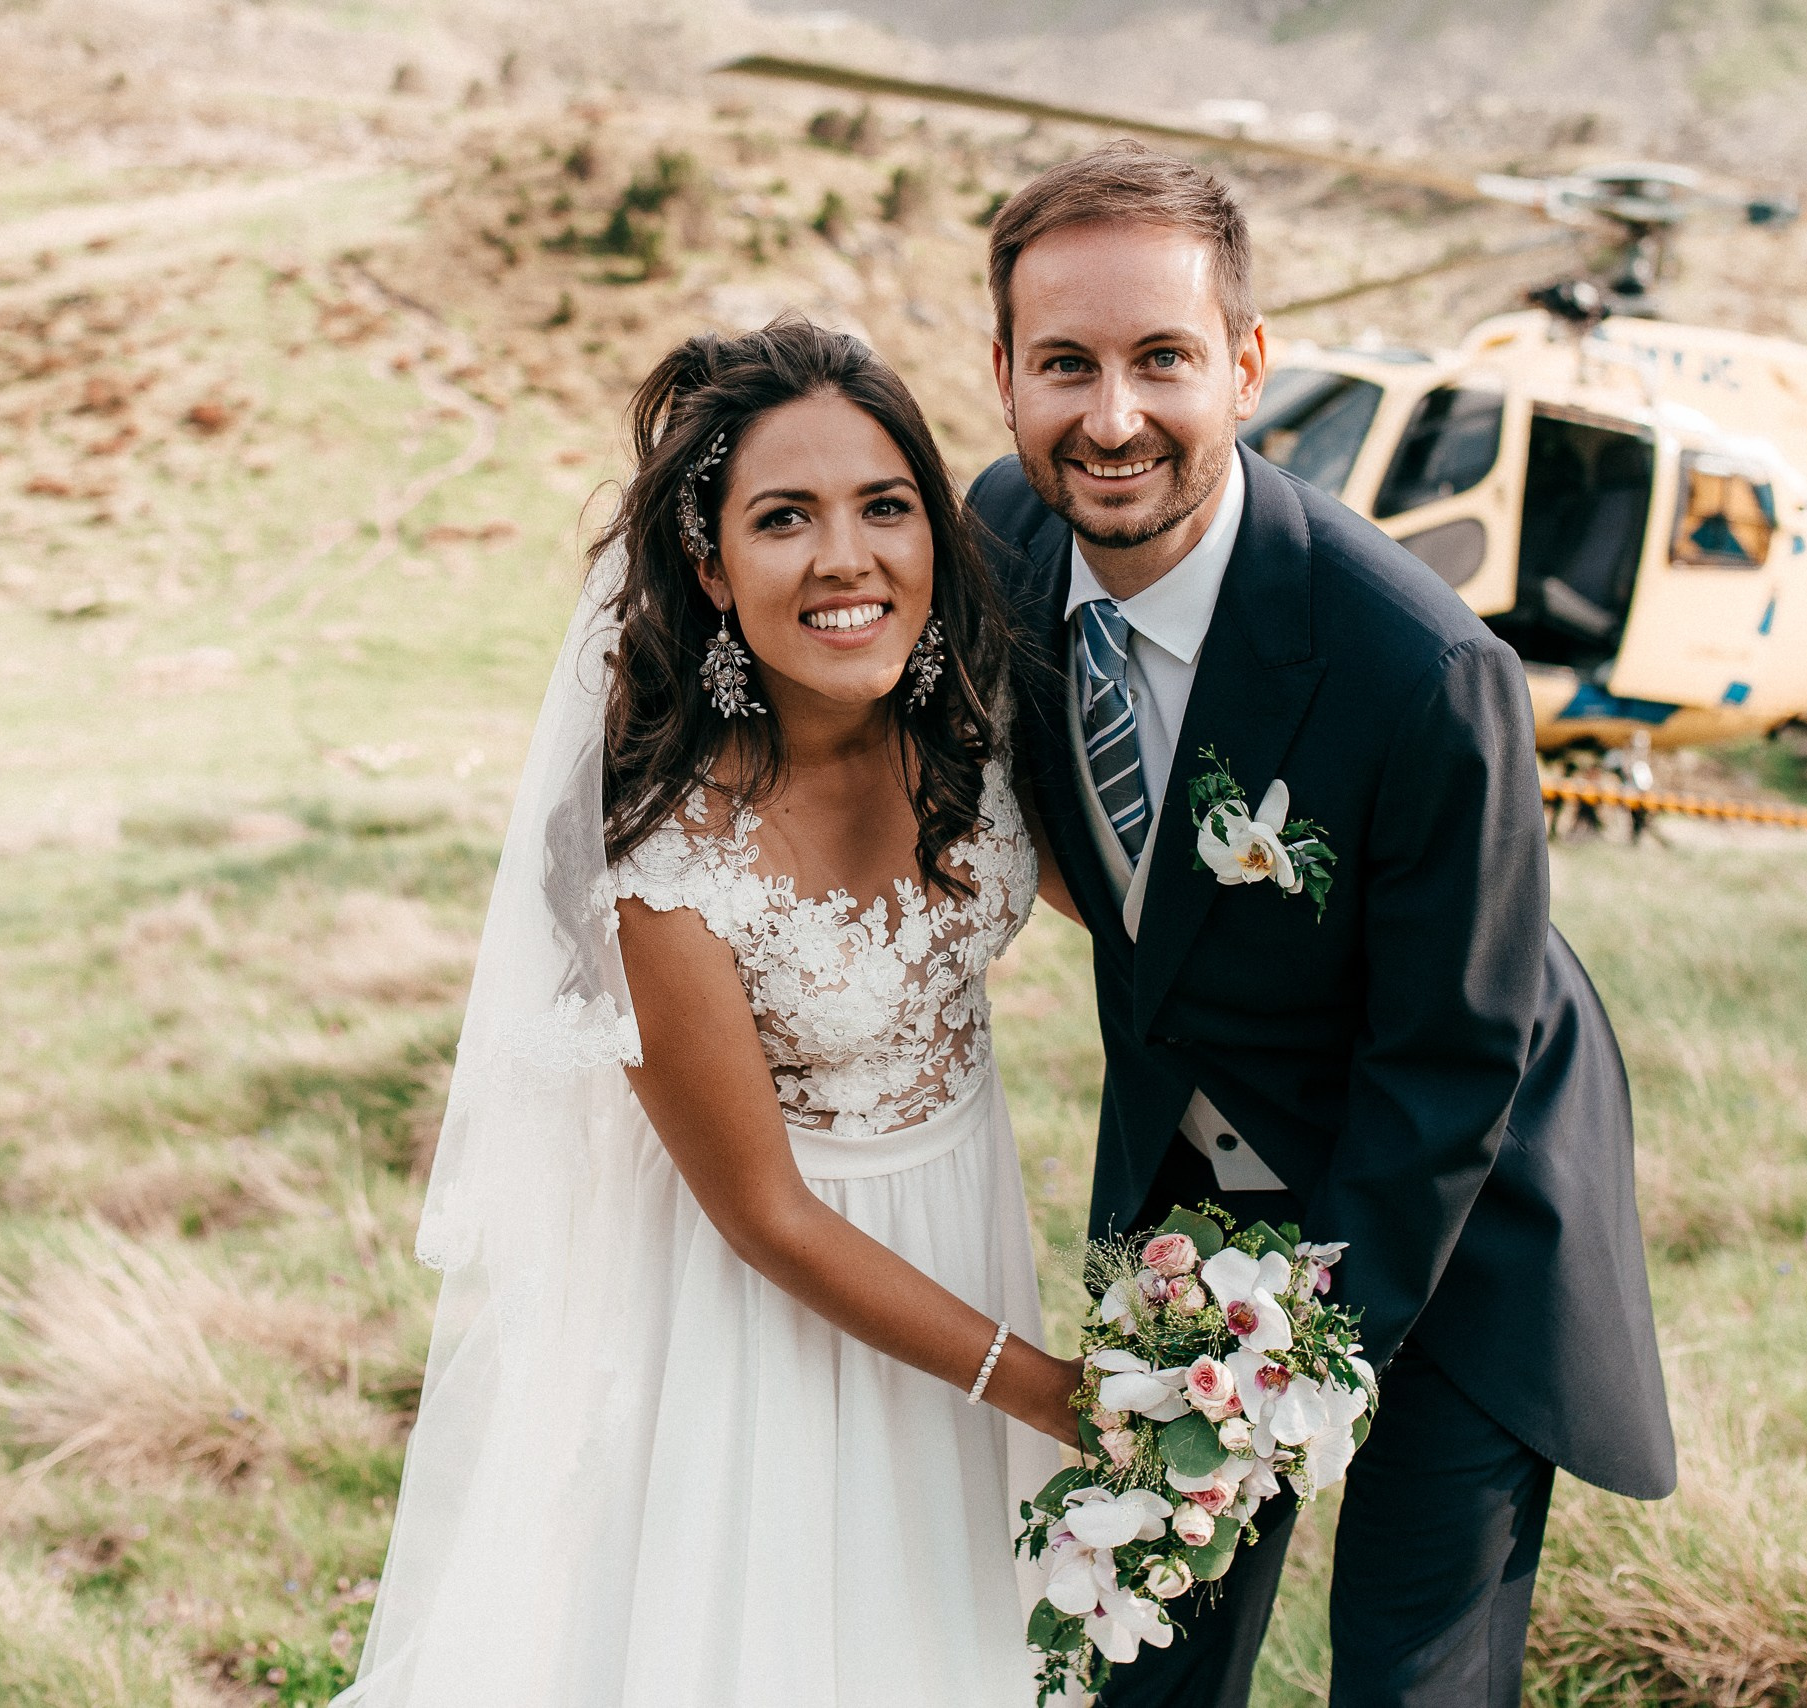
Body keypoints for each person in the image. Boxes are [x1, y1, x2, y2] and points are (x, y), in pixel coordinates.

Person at [968, 143, 1677, 1708]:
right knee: (1136, 1655)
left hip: (1461, 1190)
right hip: (1194, 1179)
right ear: (1002, 372)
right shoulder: (1002, 541)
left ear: (1248, 366)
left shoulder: (1418, 669)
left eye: (1163, 358)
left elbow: (1451, 1059)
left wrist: (1284, 1375)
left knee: (1411, 1680)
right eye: (1066, 364)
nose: (1113, 417)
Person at [338, 317, 1083, 1708]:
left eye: (884, 507)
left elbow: (1119, 908)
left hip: (963, 1243)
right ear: (710, 566)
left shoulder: (961, 728)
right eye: (784, 519)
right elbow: (765, 1213)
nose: (846, 558)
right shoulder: (666, 867)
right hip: (771, 1329)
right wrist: (1041, 1388)